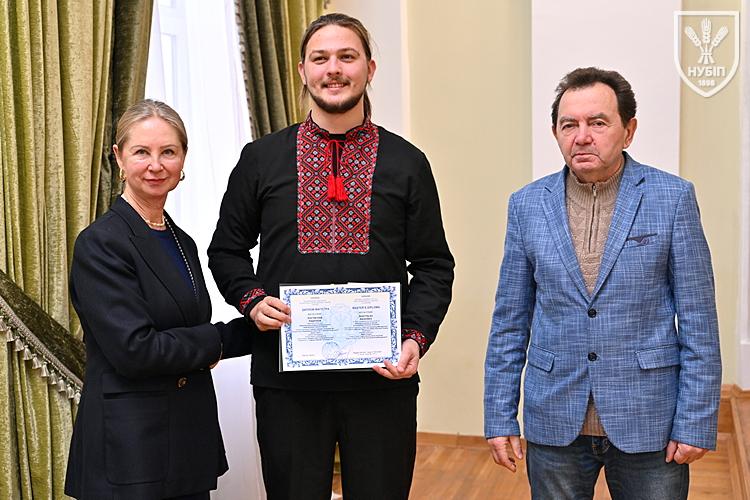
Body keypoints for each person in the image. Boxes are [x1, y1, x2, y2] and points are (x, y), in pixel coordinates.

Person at [208, 12, 454, 500]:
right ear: (303, 71)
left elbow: (433, 265)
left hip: (382, 380)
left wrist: (415, 337)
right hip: (286, 383)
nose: (334, 69)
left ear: (369, 68)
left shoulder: (408, 163)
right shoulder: (260, 159)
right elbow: (227, 250)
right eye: (320, 58)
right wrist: (252, 300)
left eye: (347, 56)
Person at [484, 67, 721, 499]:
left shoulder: (672, 198)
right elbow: (509, 323)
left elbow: (699, 322)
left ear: (628, 131)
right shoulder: (526, 205)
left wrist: (695, 421)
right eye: (568, 125)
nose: (582, 137)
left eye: (597, 123)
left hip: (649, 421)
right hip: (554, 419)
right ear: (555, 133)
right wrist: (499, 415)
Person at [64, 99, 253, 500]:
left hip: (186, 440)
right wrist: (224, 341)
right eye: (141, 152)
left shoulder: (181, 240)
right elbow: (135, 350)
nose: (155, 165)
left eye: (168, 151)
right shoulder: (100, 243)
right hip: (131, 449)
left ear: (183, 159)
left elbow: (186, 329)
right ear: (119, 158)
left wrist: (258, 327)